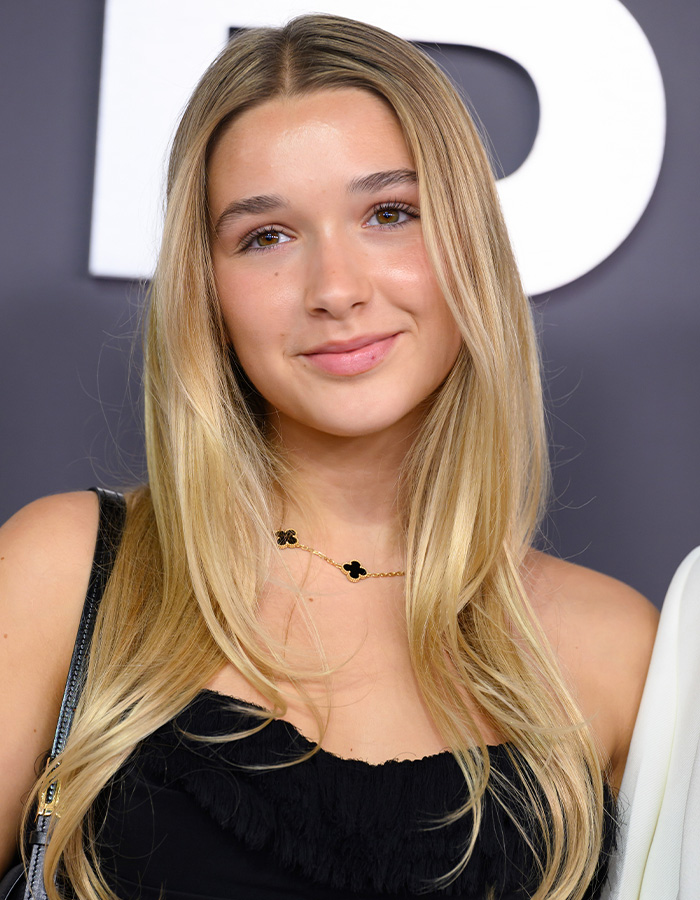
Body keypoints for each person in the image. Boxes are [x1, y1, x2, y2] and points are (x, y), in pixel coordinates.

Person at [0, 14, 659, 900]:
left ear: (470, 242)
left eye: (390, 214)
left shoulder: (615, 653)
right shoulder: (71, 571)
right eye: (266, 236)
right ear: (209, 289)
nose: (336, 291)